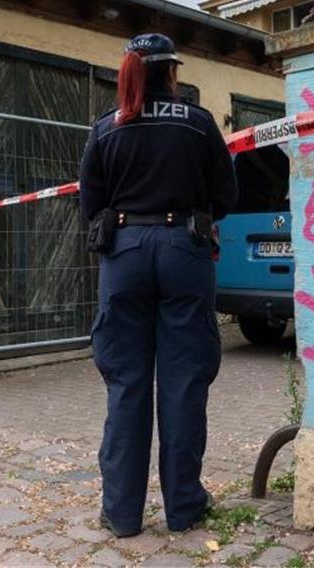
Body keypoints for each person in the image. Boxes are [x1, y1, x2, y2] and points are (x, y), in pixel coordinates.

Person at [79, 33, 238, 537]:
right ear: (172, 73)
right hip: (182, 251)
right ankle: (184, 508)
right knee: (184, 382)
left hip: (124, 254)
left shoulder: (106, 129)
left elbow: (89, 204)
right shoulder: (198, 123)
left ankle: (122, 513)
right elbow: (226, 193)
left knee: (126, 385)